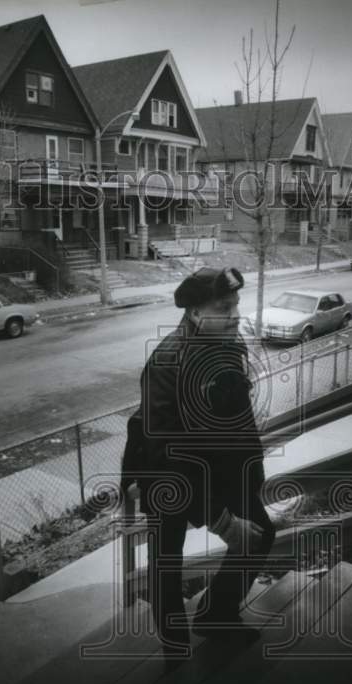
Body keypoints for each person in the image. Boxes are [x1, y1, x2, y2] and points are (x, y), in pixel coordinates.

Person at [121, 266, 276, 655]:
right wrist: (221, 520)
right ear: (194, 313)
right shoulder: (166, 363)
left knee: (260, 534)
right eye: (225, 308)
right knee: (166, 562)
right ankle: (174, 650)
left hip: (220, 469)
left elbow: (236, 417)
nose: (236, 314)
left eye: (236, 304)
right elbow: (168, 452)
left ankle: (216, 616)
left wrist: (250, 471)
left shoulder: (229, 344)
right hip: (169, 476)